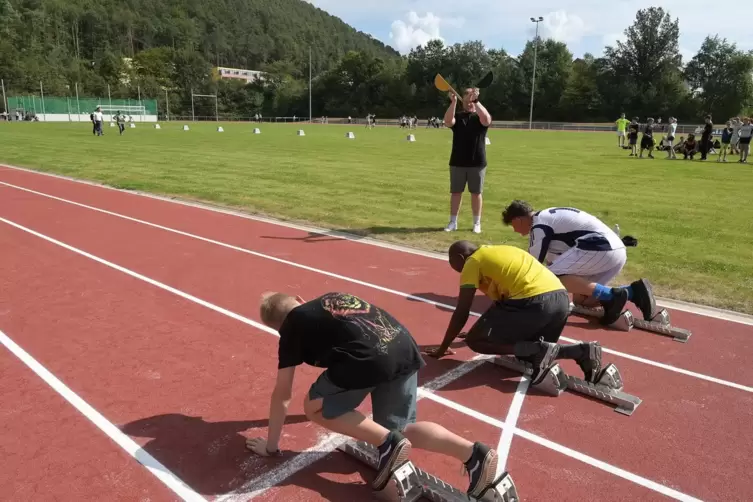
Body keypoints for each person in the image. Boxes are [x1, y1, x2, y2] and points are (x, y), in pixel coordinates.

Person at [246, 292, 498, 498]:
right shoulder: (332, 297)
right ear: (300, 298)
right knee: (401, 428)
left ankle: (388, 444)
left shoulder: (290, 328)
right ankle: (473, 454)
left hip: (367, 360)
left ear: (279, 327)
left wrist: (270, 447)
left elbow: (282, 394)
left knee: (314, 407)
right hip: (403, 346)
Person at [425, 241, 608, 387]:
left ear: (459, 257)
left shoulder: (472, 262)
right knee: (527, 351)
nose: (455, 269)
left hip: (534, 303)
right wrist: (484, 329)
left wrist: (443, 348)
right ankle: (581, 352)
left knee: (476, 341)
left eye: (452, 263)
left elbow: (462, 310)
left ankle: (544, 349)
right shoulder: (503, 251)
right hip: (560, 302)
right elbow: (501, 306)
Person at [500, 200, 657, 325]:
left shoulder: (539, 225)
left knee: (553, 279)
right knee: (581, 301)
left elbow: (532, 266)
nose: (515, 231)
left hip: (600, 249)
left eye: (513, 225)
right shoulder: (549, 219)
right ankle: (633, 292)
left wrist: (513, 295)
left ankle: (611, 296)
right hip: (614, 251)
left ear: (518, 219)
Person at [443, 87, 492, 234]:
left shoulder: (479, 117)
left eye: (472, 98)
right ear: (463, 100)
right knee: (456, 193)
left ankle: (477, 223)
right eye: (467, 97)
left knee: (476, 193)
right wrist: (453, 102)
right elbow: (447, 121)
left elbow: (487, 119)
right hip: (457, 161)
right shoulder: (458, 116)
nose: (470, 102)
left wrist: (476, 101)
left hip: (477, 161)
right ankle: (453, 222)